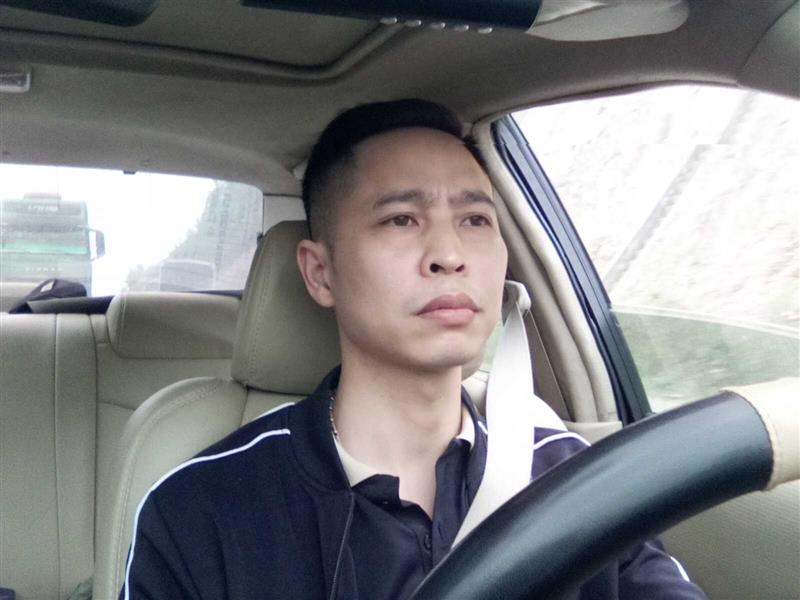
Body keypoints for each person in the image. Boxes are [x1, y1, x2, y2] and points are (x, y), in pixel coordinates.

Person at [121, 99, 707, 599]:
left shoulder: (576, 479)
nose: (449, 255)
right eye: (401, 219)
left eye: (475, 220)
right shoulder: (201, 511)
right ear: (320, 273)